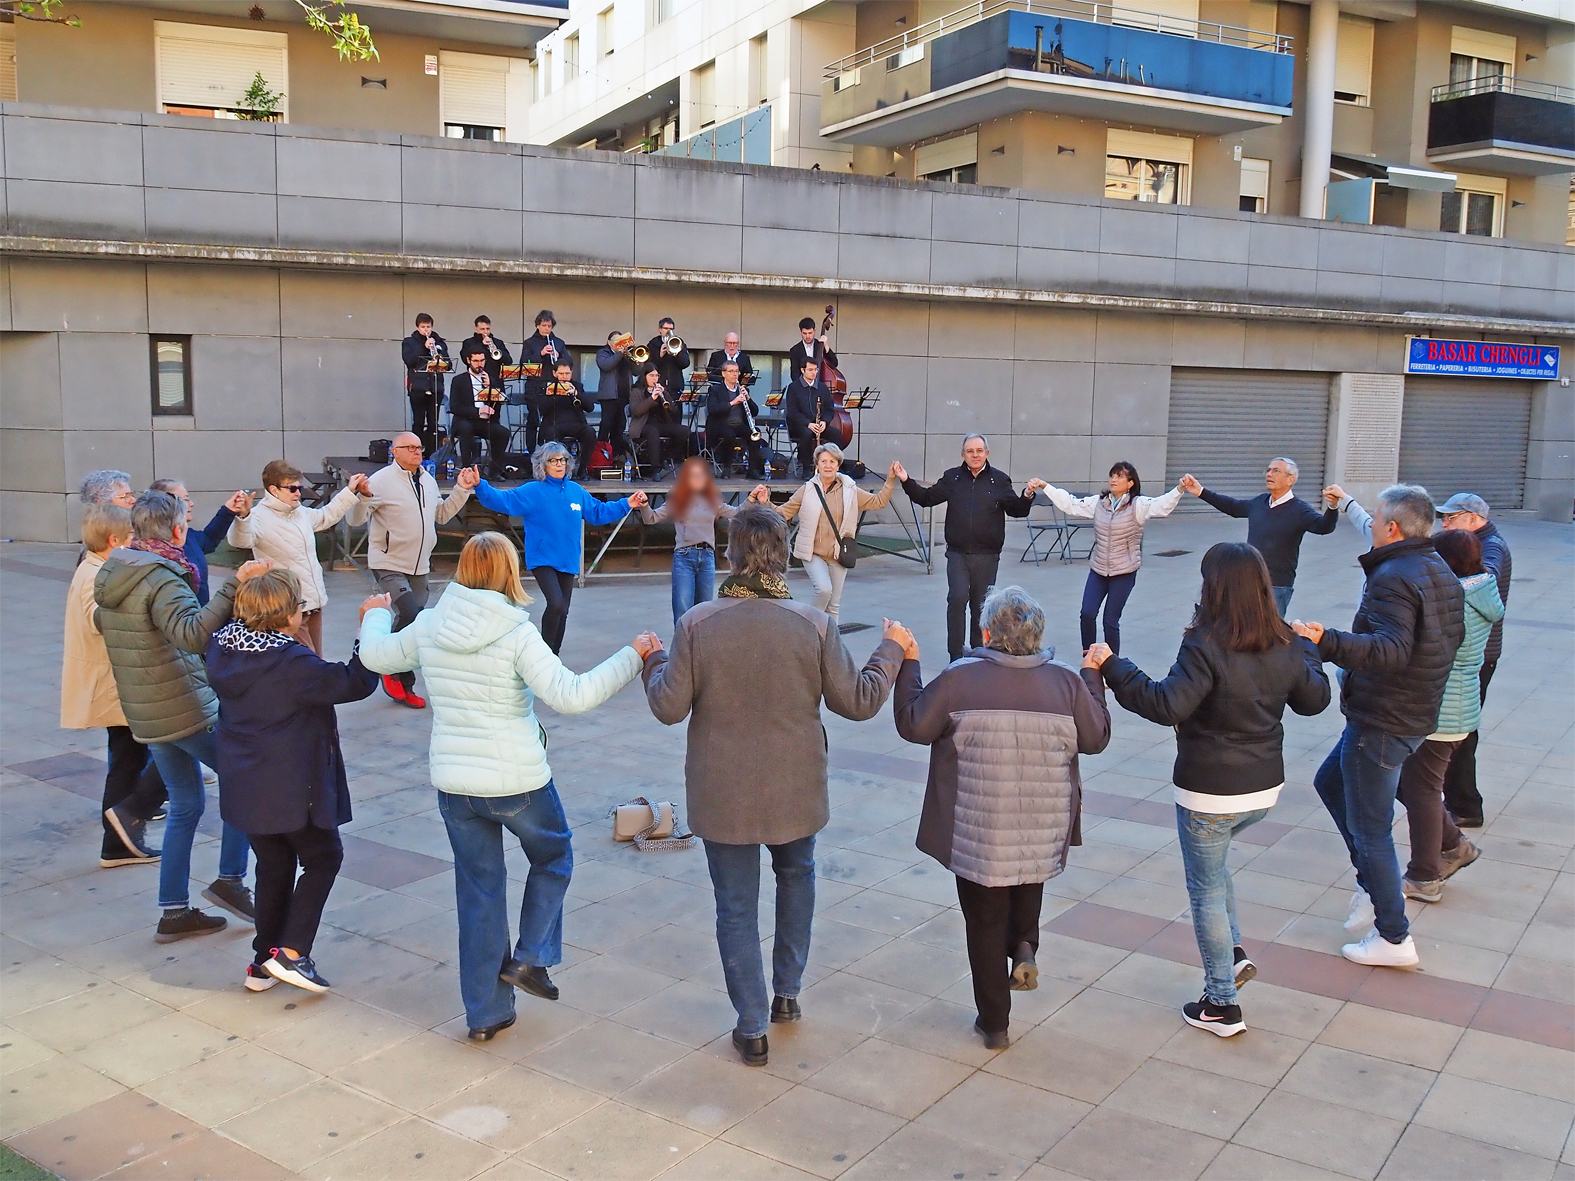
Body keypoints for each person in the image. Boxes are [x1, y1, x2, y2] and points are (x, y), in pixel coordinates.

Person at [359, 532, 659, 1040]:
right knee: (554, 857)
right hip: (518, 781)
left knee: (479, 895)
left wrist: (373, 612)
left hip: (455, 786)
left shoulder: (430, 623)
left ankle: (485, 1015)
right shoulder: (516, 632)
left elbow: (377, 657)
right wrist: (632, 656)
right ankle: (532, 958)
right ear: (507, 572)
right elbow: (572, 694)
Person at [641, 506, 908, 1066]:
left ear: (730, 555)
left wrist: (653, 659)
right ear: (783, 558)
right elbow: (858, 701)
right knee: (797, 879)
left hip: (723, 792)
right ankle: (787, 994)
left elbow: (668, 705)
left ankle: (752, 1025)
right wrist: (892, 651)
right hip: (796, 786)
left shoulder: (697, 623)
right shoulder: (812, 624)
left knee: (735, 908)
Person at [1089, 544, 1329, 1036]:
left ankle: (1221, 1002)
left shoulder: (1204, 643)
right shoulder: (1283, 641)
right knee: (1215, 872)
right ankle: (1233, 953)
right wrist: (1310, 650)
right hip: (1261, 790)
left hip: (1210, 792)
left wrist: (1113, 666)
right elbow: (1314, 700)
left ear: (1214, 588)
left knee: (1204, 890)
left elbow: (1166, 704)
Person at [895, 586, 1111, 1049]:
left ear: (987, 631)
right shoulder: (1066, 682)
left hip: (979, 827)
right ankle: (1025, 946)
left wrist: (909, 663)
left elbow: (915, 724)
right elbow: (1095, 738)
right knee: (1027, 874)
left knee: (984, 918)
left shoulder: (960, 679)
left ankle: (995, 1023)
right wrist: (1094, 677)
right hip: (1042, 821)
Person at [1292, 484, 1463, 969]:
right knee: (1330, 781)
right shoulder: (1435, 569)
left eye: (1376, 520)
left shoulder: (1394, 576)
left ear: (1391, 528)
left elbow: (1389, 652)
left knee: (1372, 829)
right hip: (1406, 712)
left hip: (1384, 719)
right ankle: (1373, 882)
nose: (1370, 527)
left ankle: (1393, 934)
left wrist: (1326, 641)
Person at [95, 490, 264, 942]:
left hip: (148, 708)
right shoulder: (163, 577)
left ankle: (174, 911)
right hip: (183, 706)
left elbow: (105, 624)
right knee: (244, 780)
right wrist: (233, 586)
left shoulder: (117, 570)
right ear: (177, 530)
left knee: (187, 804)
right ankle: (231, 880)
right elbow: (191, 635)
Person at [206, 568, 381, 994]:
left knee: (274, 865)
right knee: (323, 856)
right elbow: (354, 682)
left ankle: (263, 960)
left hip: (245, 785)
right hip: (289, 786)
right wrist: (370, 625)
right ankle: (292, 952)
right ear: (287, 616)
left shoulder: (221, 647)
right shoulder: (289, 663)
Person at [1394, 528, 1499, 901]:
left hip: (1442, 709)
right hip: (1457, 705)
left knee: (1420, 789)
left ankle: (1424, 876)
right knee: (1411, 785)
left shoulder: (1456, 601)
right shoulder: (1480, 593)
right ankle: (1455, 845)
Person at [471, 443, 648, 654]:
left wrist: (627, 503)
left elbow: (598, 512)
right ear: (542, 465)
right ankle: (543, 654)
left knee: (563, 611)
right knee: (556, 604)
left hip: (568, 560)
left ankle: (554, 657)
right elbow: (504, 500)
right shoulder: (533, 491)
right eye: (553, 460)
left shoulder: (575, 491)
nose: (559, 464)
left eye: (562, 459)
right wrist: (480, 485)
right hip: (543, 559)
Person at [64, 504, 165, 867]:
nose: (137, 544)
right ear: (114, 540)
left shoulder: (97, 567)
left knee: (130, 758)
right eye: (131, 539)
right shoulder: (96, 575)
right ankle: (121, 836)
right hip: (115, 683)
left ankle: (120, 838)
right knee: (133, 759)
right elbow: (99, 617)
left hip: (119, 680)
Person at [345, 433, 478, 706]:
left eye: (420, 447)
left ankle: (392, 668)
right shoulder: (380, 481)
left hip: (420, 565)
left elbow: (441, 515)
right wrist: (363, 498)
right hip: (388, 563)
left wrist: (461, 489)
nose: (418, 451)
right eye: (411, 448)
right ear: (395, 451)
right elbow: (356, 520)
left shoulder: (427, 480)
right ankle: (396, 674)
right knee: (410, 612)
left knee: (414, 623)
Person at [896, 435, 1043, 662]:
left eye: (979, 450)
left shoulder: (999, 480)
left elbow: (1017, 510)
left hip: (988, 555)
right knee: (957, 599)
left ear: (987, 453)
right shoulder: (952, 478)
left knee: (980, 607)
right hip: (958, 553)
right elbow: (926, 498)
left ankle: (978, 653)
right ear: (963, 454)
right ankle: (955, 656)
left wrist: (1027, 495)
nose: (975, 455)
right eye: (970, 451)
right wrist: (906, 480)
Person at [1039, 462, 1184, 655]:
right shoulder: (1099, 503)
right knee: (1087, 614)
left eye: (1119, 476)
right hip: (1099, 569)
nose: (1113, 480)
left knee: (1110, 620)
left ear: (1130, 483)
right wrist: (1045, 486)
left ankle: (1112, 667)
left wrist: (1180, 489)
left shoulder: (1137, 505)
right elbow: (1071, 504)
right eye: (1112, 475)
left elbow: (1161, 506)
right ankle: (1088, 657)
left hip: (1124, 572)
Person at [227, 459, 367, 654]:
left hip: (314, 603)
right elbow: (240, 541)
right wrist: (243, 518)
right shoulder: (257, 516)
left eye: (299, 487)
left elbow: (326, 516)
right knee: (307, 665)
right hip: (287, 609)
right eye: (292, 489)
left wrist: (350, 491)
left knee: (315, 660)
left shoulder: (299, 512)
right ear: (274, 490)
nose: (299, 493)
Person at [1179, 458, 1336, 615]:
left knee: (1269, 634)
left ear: (1290, 479)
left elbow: (1324, 527)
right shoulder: (1260, 502)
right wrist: (1200, 492)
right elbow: (1233, 507)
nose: (1269, 474)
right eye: (1268, 470)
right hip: (1249, 579)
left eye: (1276, 471)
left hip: (1277, 585)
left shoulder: (1300, 510)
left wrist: (1333, 506)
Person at [762, 444, 898, 624]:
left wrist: (890, 480)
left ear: (838, 464)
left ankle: (829, 644)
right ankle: (807, 625)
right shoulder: (808, 489)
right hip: (813, 553)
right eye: (824, 461)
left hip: (838, 553)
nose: (828, 465)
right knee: (824, 590)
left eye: (832, 461)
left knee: (833, 606)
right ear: (817, 465)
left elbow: (878, 501)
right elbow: (784, 512)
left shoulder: (849, 489)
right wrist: (766, 503)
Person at [1438, 493, 1511, 828]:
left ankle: (1465, 805)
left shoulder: (1489, 546)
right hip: (1472, 652)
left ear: (1471, 518)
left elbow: (1482, 581)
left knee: (1461, 733)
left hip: (1476, 655)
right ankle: (1458, 801)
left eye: (1451, 518)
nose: (1444, 523)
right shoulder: (1477, 542)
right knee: (1459, 731)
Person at [637, 458, 739, 623]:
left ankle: (701, 647)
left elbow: (738, 513)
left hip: (707, 557)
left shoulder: (713, 501)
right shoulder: (677, 500)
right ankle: (682, 647)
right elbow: (651, 518)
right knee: (683, 610)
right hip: (685, 556)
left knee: (705, 611)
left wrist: (753, 499)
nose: (698, 479)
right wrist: (644, 504)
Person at [149, 479, 247, 606]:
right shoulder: (150, 547)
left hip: (198, 617)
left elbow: (209, 539)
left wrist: (228, 511)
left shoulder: (189, 536)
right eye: (185, 499)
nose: (192, 504)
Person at [449, 345, 512, 480]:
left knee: (503, 433)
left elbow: (498, 405)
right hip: (464, 420)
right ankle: (467, 468)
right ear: (468, 361)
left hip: (483, 421)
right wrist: (478, 411)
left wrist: (490, 387)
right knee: (465, 429)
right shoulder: (459, 380)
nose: (480, 364)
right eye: (476, 361)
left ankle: (495, 471)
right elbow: (454, 407)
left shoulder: (490, 380)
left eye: (482, 361)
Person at [536, 358, 598, 479]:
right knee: (551, 435)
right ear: (555, 374)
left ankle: (582, 469)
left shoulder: (577, 386)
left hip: (576, 424)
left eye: (567, 373)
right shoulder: (546, 387)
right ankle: (556, 471)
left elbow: (590, 407)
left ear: (571, 372)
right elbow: (542, 409)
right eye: (561, 373)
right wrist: (557, 395)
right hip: (554, 424)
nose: (564, 376)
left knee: (590, 432)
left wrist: (576, 394)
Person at [704, 360, 765, 477]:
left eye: (736, 371)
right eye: (731, 371)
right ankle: (727, 468)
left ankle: (752, 470)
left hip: (739, 425)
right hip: (720, 425)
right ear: (723, 374)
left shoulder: (741, 390)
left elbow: (755, 412)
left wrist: (748, 398)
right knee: (729, 435)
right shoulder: (715, 390)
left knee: (755, 434)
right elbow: (712, 410)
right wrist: (732, 403)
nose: (734, 374)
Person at [519, 310, 570, 452]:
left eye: (549, 326)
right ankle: (530, 450)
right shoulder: (530, 343)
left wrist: (558, 356)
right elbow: (524, 362)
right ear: (537, 326)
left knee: (550, 420)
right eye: (543, 325)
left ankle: (546, 449)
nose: (546, 328)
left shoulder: (559, 343)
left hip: (553, 385)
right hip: (534, 386)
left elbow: (568, 362)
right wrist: (540, 354)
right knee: (534, 419)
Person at [629, 361, 690, 477]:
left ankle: (664, 457)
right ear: (644, 376)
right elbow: (636, 411)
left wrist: (665, 395)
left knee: (684, 431)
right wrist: (652, 398)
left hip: (660, 424)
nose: (655, 378)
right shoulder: (636, 391)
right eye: (651, 375)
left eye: (656, 375)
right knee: (653, 432)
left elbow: (674, 410)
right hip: (643, 425)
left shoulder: (662, 389)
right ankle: (655, 470)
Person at [400, 313, 450, 456]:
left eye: (428, 327)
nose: (426, 330)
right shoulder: (409, 342)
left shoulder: (439, 342)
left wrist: (436, 348)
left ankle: (431, 454)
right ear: (418, 327)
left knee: (433, 423)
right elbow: (409, 360)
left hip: (435, 386)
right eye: (423, 327)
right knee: (419, 422)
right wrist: (424, 347)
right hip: (418, 387)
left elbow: (448, 362)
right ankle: (416, 453)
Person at [783, 359, 830, 478]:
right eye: (810, 370)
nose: (813, 373)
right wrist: (808, 423)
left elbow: (830, 409)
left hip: (818, 424)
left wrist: (825, 421)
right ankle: (806, 468)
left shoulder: (822, 387)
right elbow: (792, 412)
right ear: (802, 370)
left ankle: (832, 466)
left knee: (835, 434)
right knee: (806, 434)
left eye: (815, 370)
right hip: (799, 425)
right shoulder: (793, 387)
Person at [595, 331, 636, 461]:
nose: (619, 343)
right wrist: (620, 353)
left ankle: (616, 455)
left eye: (621, 340)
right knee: (606, 425)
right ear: (609, 342)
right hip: (609, 397)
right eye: (616, 341)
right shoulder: (603, 353)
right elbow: (606, 366)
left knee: (619, 427)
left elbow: (637, 371)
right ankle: (599, 453)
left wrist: (633, 356)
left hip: (624, 396)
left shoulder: (626, 355)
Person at [462, 314, 513, 389]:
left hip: (495, 381)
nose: (485, 332)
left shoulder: (498, 342)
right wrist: (482, 345)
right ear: (476, 329)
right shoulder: (468, 343)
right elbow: (465, 359)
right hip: (476, 381)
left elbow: (509, 361)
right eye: (482, 329)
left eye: (488, 329)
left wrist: (496, 349)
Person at [646, 317, 690, 397]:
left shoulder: (679, 343)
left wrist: (677, 353)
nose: (668, 331)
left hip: (675, 387)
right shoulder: (653, 344)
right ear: (660, 329)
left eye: (671, 329)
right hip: (659, 386)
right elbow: (648, 366)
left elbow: (685, 364)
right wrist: (660, 356)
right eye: (666, 328)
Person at [789, 316, 836, 387]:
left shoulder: (820, 345)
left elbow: (834, 363)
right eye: (804, 333)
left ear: (815, 331)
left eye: (810, 333)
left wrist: (826, 346)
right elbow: (794, 374)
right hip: (803, 389)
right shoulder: (795, 350)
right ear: (800, 332)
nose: (807, 336)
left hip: (822, 386)